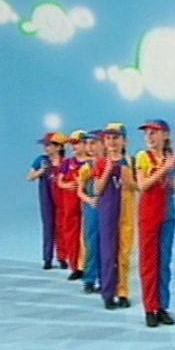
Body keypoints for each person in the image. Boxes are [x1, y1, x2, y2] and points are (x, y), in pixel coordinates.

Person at [135, 119, 175, 328]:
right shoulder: (143, 157)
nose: (150, 136)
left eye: (154, 132)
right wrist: (164, 169)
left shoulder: (172, 157)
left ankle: (162, 306)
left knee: (164, 262)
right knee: (149, 262)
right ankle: (150, 307)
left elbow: (173, 185)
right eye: (148, 133)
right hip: (149, 215)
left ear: (166, 135)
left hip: (167, 214)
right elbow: (142, 185)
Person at [93, 123, 138, 310]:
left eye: (116, 138)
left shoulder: (131, 161)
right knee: (108, 252)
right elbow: (97, 189)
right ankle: (108, 293)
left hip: (127, 209)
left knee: (125, 252)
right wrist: (107, 170)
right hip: (108, 210)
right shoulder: (101, 163)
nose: (112, 142)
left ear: (124, 141)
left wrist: (128, 177)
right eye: (109, 138)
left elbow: (138, 186)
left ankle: (123, 292)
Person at [28, 132, 69, 270]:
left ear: (59, 147)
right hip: (46, 197)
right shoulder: (41, 160)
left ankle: (62, 257)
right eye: (45, 145)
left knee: (62, 226)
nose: (46, 148)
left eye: (49, 145)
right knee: (48, 226)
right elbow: (30, 176)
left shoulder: (66, 162)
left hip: (62, 197)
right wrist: (41, 172)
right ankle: (47, 258)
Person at [57, 130, 89, 281]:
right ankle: (75, 266)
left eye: (77, 143)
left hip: (86, 203)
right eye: (72, 144)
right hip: (70, 205)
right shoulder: (68, 163)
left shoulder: (91, 162)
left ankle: (86, 266)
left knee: (86, 234)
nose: (74, 147)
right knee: (71, 234)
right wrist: (67, 185)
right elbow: (60, 181)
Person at [77, 130, 106, 294]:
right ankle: (89, 279)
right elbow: (80, 191)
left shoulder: (110, 164)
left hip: (108, 208)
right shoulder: (87, 167)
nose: (90, 147)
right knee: (92, 243)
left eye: (93, 143)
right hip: (93, 209)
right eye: (87, 143)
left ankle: (105, 279)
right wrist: (89, 200)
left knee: (108, 245)